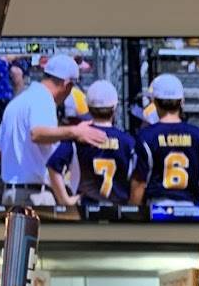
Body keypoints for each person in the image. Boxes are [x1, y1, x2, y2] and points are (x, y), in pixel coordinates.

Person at [0, 53, 107, 206]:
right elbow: (37, 134)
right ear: (67, 85)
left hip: (10, 194)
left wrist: (22, 161)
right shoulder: (44, 99)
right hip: (35, 196)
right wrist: (75, 131)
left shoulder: (17, 101)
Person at [47, 80, 136, 209]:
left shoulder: (78, 138)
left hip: (85, 209)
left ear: (88, 107)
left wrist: (64, 199)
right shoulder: (128, 141)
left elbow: (53, 166)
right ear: (115, 108)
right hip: (118, 210)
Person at [129, 74, 199, 208]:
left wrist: (133, 212)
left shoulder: (147, 136)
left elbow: (139, 183)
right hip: (190, 207)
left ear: (154, 102)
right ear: (182, 101)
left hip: (158, 206)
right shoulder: (198, 136)